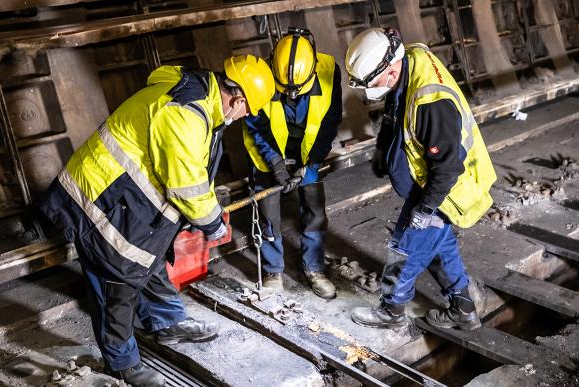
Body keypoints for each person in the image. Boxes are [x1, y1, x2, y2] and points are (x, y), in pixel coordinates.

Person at [39, 55, 275, 386]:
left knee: (147, 257)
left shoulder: (199, 99)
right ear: (237, 98)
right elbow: (186, 184)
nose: (246, 115)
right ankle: (122, 362)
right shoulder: (184, 113)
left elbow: (190, 171)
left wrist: (195, 214)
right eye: (249, 109)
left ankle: (167, 323)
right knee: (117, 277)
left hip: (122, 192)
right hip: (98, 197)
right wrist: (211, 222)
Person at [344, 28, 496, 330]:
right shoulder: (410, 61)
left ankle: (391, 311)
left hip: (446, 189)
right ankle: (463, 309)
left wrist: (425, 209)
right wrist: (382, 149)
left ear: (389, 69)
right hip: (430, 181)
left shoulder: (431, 101)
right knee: (441, 246)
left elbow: (448, 166)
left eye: (371, 83)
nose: (368, 90)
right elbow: (396, 109)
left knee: (404, 247)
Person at [243, 28, 342, 299]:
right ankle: (274, 269)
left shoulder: (328, 70)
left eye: (299, 91)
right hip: (268, 150)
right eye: (287, 91)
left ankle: (314, 268)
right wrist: (275, 163)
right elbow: (255, 124)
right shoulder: (259, 75)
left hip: (306, 150)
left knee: (314, 210)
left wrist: (310, 165)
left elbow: (329, 123)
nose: (293, 95)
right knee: (268, 212)